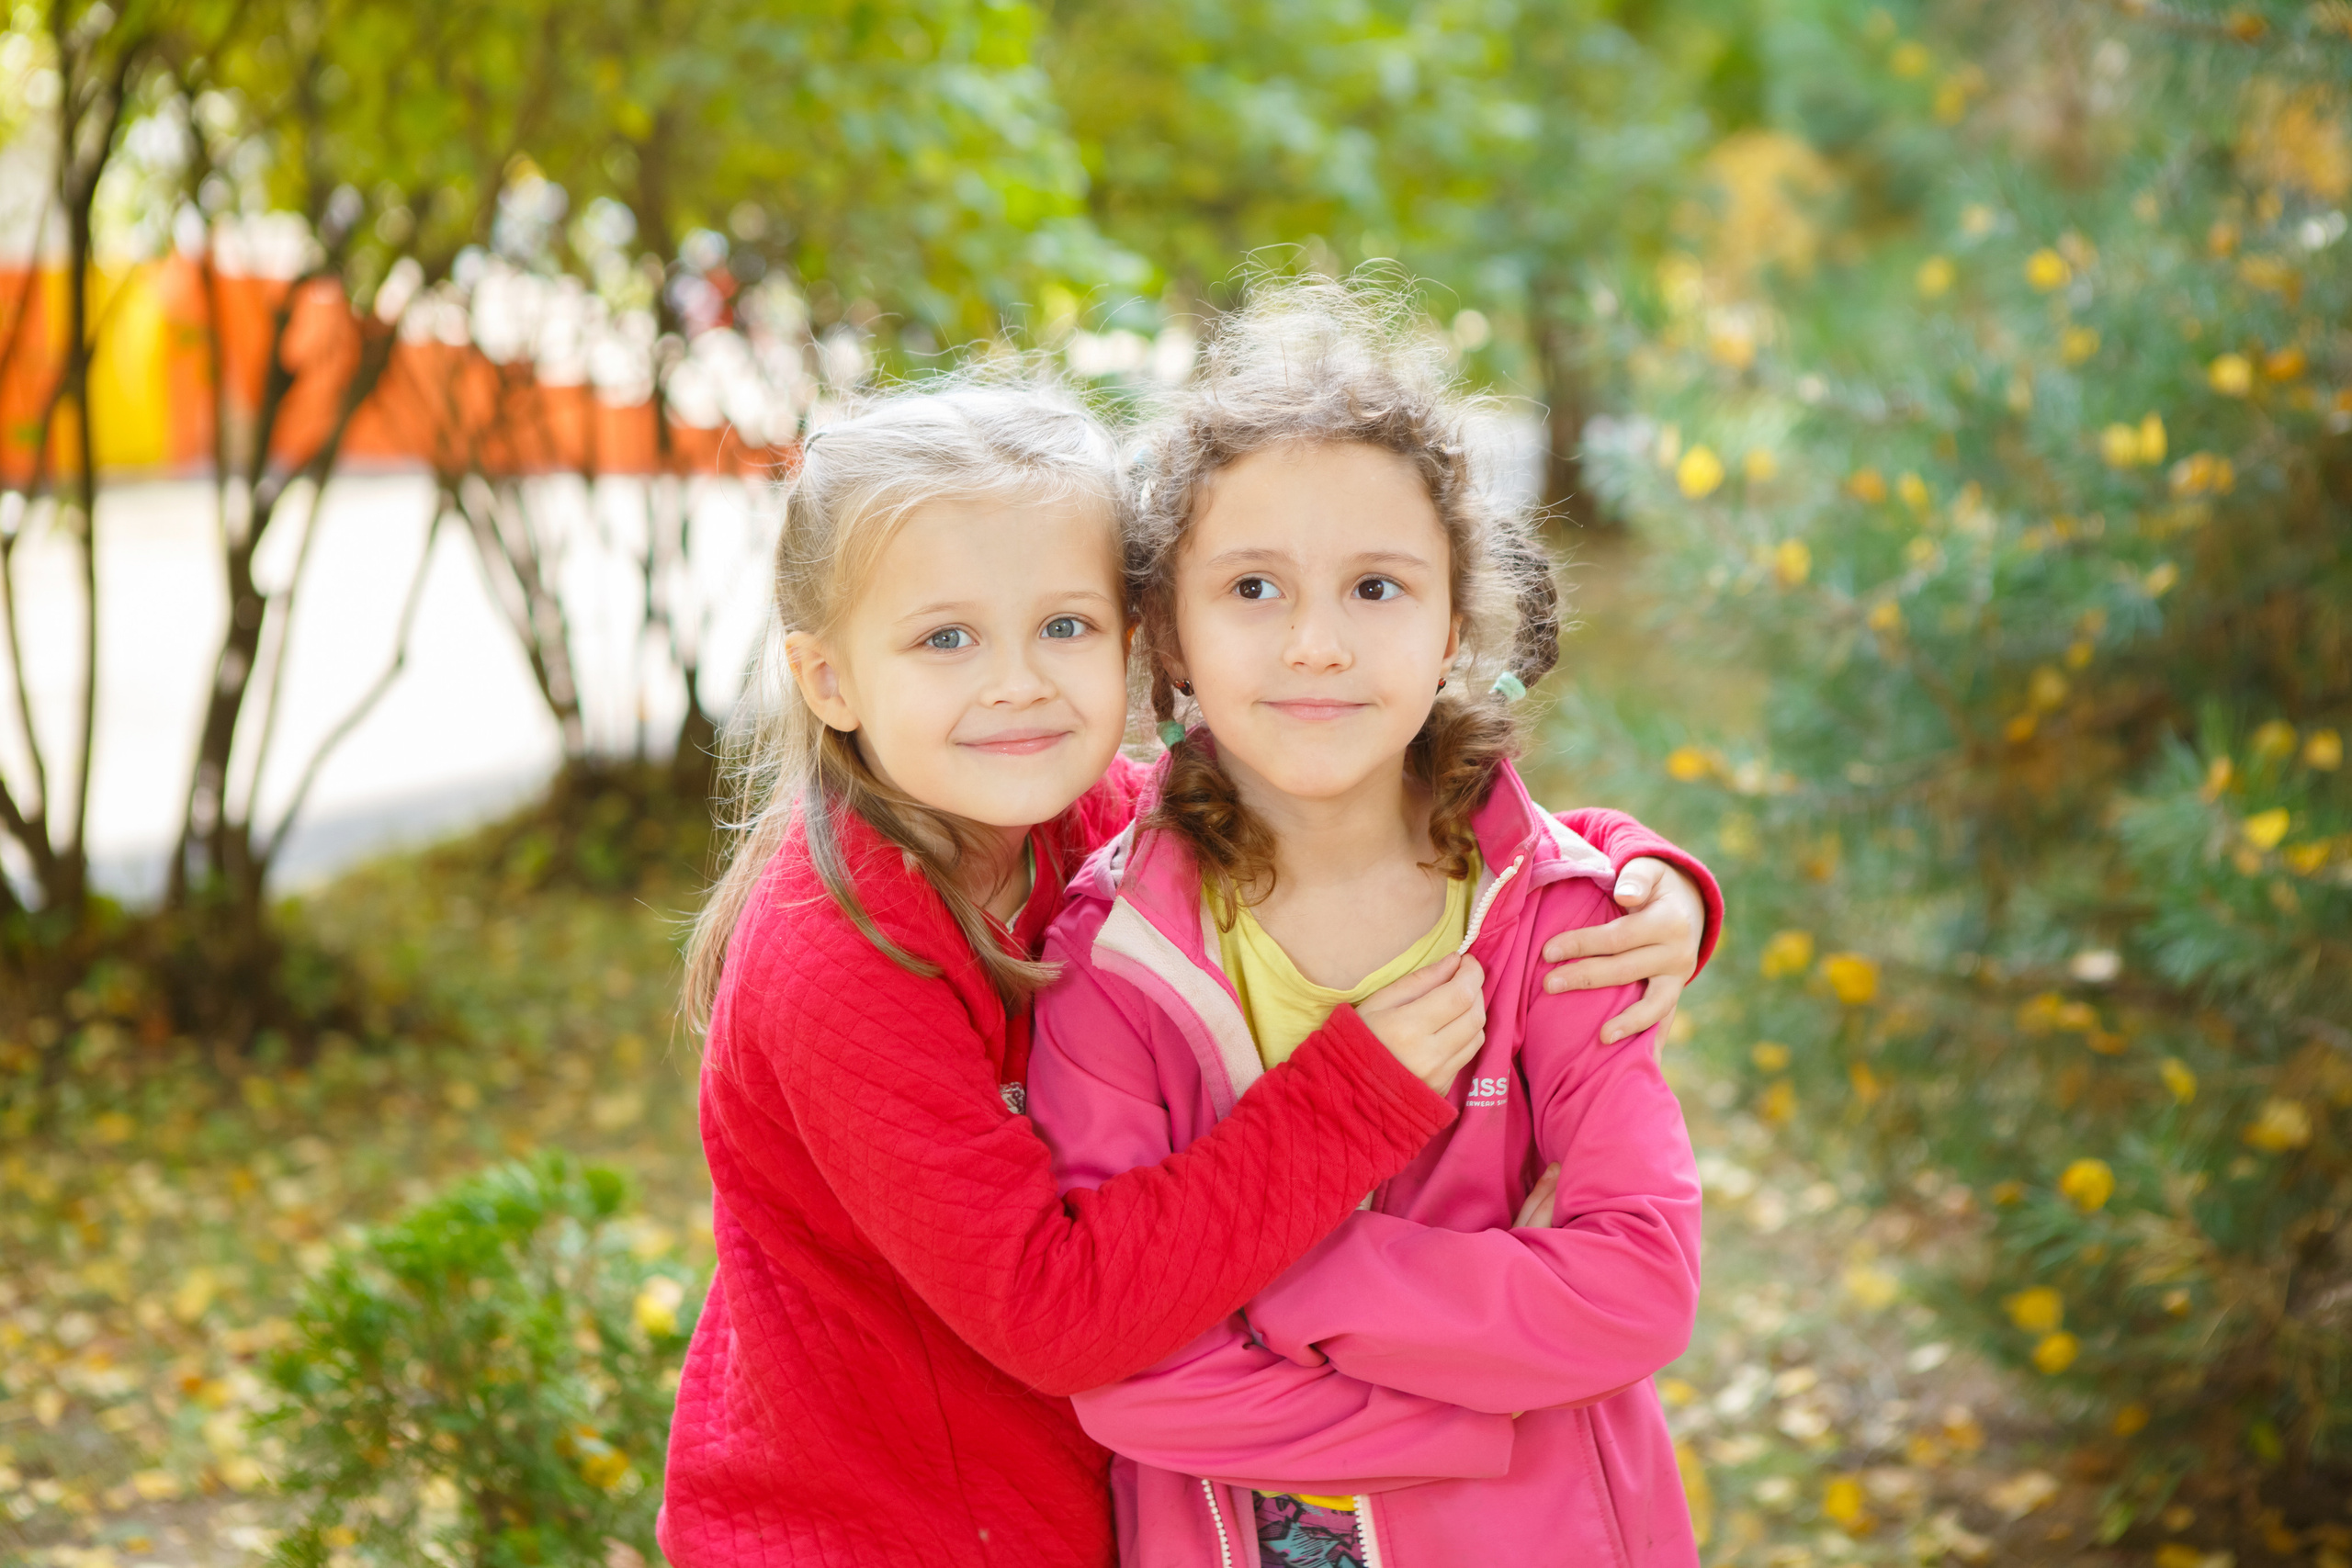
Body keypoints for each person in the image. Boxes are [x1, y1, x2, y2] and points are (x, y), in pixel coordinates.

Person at [658, 376, 1718, 1568]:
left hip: (1082, 1501)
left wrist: (1633, 870)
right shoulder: (842, 959)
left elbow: (1342, 809)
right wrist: (1351, 1102)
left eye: (1063, 627)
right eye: (944, 638)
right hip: (892, 1528)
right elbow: (1057, 1315)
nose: (1017, 682)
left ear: (1134, 636)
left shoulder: (1075, 812)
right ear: (828, 678)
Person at [1027, 283, 1704, 1568]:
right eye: (1253, 588)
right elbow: (1126, 1376)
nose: (1319, 645)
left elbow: (1641, 1286)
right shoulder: (1112, 963)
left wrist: (1279, 1286)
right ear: (1167, 633)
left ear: (1459, 620)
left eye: (1378, 588)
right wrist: (1501, 1421)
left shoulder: (1559, 920)